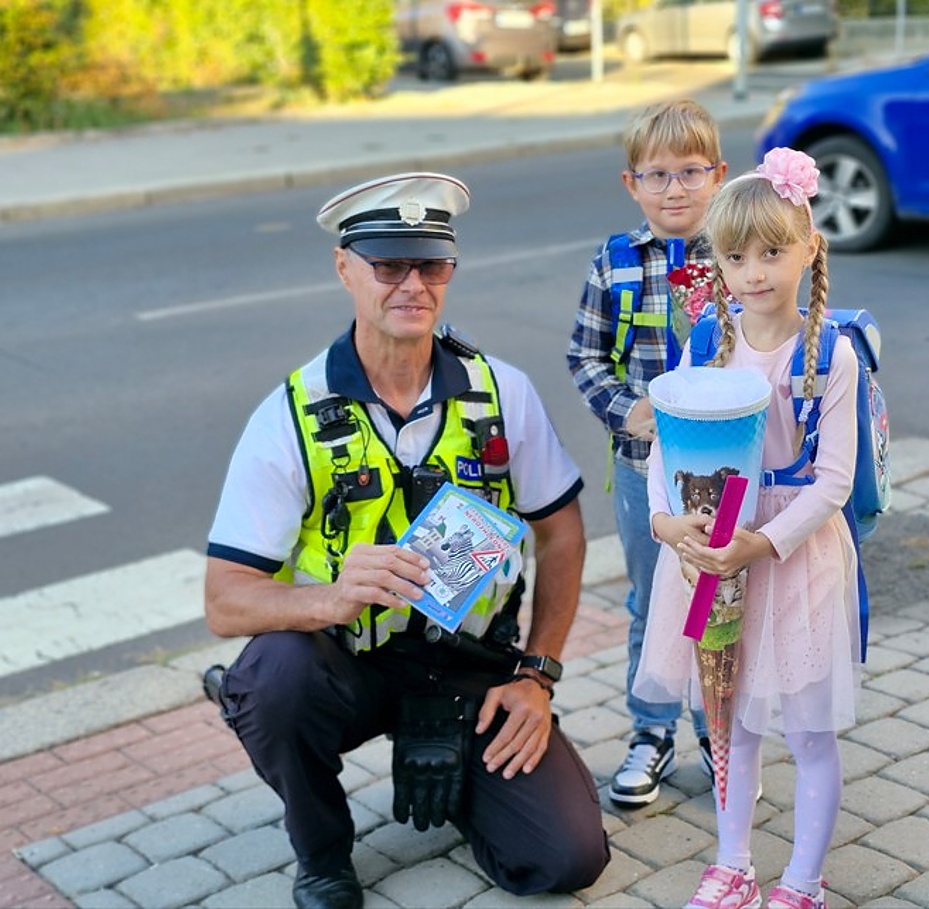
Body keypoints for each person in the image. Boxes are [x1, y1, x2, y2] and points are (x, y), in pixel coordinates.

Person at [203, 172, 610, 909]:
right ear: (344, 268)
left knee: (566, 858)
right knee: (274, 680)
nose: (413, 285)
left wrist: (538, 675)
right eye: (389, 265)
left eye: (432, 265)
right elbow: (226, 601)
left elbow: (561, 533)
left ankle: (456, 764)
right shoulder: (290, 414)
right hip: (345, 663)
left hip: (470, 666)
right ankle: (322, 853)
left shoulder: (501, 391)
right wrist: (330, 597)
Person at [634, 148, 863, 909]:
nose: (754, 272)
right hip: (707, 551)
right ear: (718, 263)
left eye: (772, 252)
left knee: (808, 729)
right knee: (728, 716)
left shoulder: (832, 356)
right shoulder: (707, 341)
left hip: (792, 556)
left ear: (809, 249)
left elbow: (833, 481)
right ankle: (733, 864)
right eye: (736, 257)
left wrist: (762, 542)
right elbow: (666, 446)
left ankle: (804, 880)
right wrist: (667, 524)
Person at [566, 99, 727, 807]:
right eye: (657, 175)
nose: (675, 189)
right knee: (650, 599)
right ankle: (651, 730)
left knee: (717, 599)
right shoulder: (616, 261)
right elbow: (585, 355)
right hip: (643, 471)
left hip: (727, 471)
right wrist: (630, 410)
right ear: (632, 185)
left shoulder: (738, 253)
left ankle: (718, 734)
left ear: (718, 174)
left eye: (691, 171)